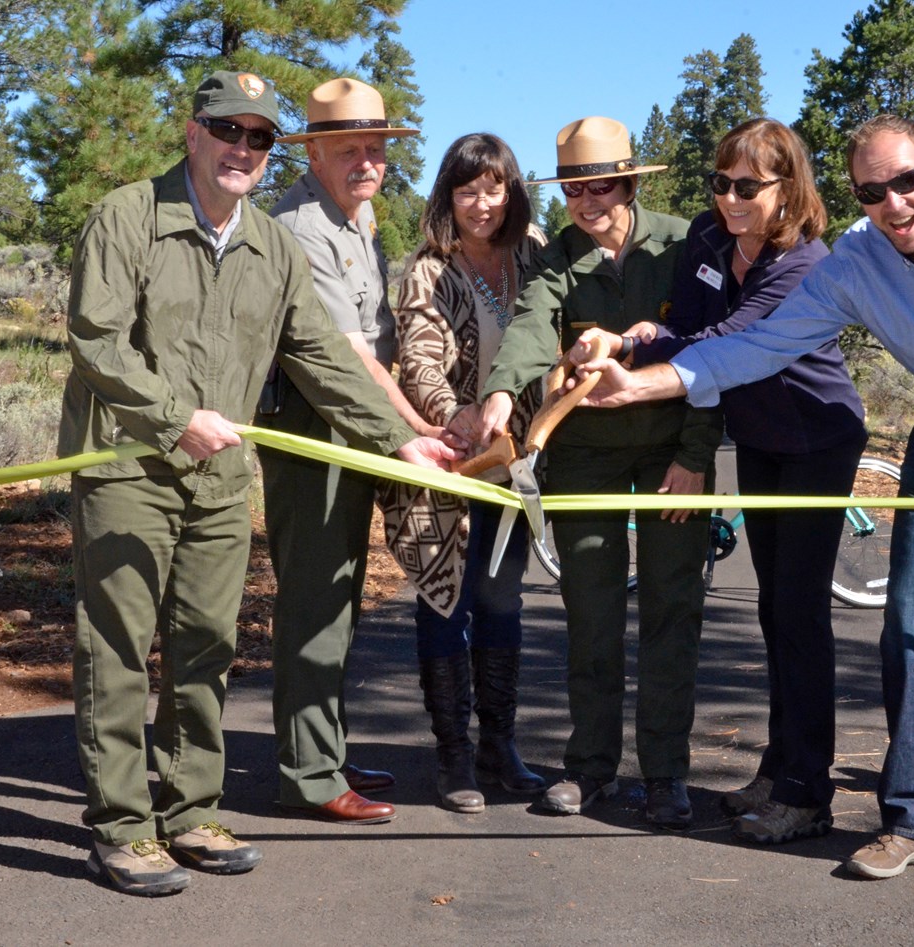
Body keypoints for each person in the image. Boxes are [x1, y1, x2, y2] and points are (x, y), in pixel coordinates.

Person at [575, 113, 914, 903]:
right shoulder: (854, 264)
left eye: (906, 181)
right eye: (873, 191)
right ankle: (913, 820)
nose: (893, 203)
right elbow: (756, 345)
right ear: (858, 196)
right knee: (906, 616)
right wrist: (645, 382)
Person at [59, 70, 454, 897]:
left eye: (260, 137)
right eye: (229, 130)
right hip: (128, 466)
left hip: (218, 476)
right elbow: (98, 343)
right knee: (121, 651)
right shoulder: (128, 217)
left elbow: (317, 354)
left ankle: (189, 810)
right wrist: (176, 418)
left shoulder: (270, 246)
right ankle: (122, 827)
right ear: (194, 133)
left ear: (272, 152)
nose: (243, 148)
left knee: (205, 646)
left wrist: (399, 442)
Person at [577, 118, 867, 844]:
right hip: (762, 441)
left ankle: (807, 793)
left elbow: (727, 340)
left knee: (801, 617)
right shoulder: (709, 239)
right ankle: (778, 770)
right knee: (776, 612)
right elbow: (688, 318)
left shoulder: (807, 264)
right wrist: (645, 332)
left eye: (748, 186)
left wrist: (645, 355)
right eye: (721, 182)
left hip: (816, 441)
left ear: (788, 187)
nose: (730, 198)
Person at [478, 116, 721, 829]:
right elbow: (531, 323)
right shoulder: (558, 257)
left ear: (631, 182)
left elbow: (713, 351)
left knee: (673, 610)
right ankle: (589, 769)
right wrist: (501, 388)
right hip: (586, 453)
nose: (588, 202)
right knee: (591, 613)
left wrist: (697, 456)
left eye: (602, 186)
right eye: (575, 190)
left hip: (673, 448)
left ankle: (667, 773)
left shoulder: (685, 243)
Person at [256, 77, 442, 825]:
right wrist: (413, 435)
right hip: (312, 430)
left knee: (342, 593)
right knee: (315, 600)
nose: (367, 162)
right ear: (316, 154)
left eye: (376, 149)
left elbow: (381, 348)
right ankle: (307, 773)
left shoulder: (356, 221)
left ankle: (323, 751)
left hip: (352, 429)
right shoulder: (301, 226)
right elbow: (350, 358)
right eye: (349, 149)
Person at [379, 133, 548, 812]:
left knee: (502, 596)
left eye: (495, 187)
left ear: (512, 191)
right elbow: (418, 358)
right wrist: (458, 418)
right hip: (447, 457)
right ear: (448, 193)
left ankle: (498, 742)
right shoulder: (429, 269)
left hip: (516, 461)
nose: (482, 203)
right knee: (445, 593)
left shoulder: (535, 255)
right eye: (468, 188)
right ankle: (452, 753)